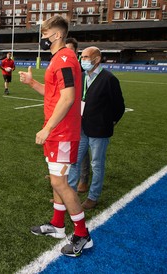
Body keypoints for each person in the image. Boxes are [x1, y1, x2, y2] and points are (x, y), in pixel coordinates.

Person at [18, 15, 92, 257]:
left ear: (57, 35)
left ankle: (82, 234)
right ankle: (58, 225)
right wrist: (32, 83)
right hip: (57, 132)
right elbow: (54, 93)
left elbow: (69, 97)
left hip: (61, 133)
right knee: (55, 180)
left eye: (45, 35)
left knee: (60, 182)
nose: (43, 39)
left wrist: (48, 128)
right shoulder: (59, 59)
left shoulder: (64, 59)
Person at [68, 46, 125, 210]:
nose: (82, 59)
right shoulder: (81, 76)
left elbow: (119, 106)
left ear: (97, 59)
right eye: (82, 57)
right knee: (74, 161)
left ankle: (93, 197)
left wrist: (110, 122)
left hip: (99, 131)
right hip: (82, 128)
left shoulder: (108, 79)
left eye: (86, 57)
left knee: (96, 164)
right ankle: (70, 194)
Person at [66, 37, 91, 192]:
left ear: (76, 51)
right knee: (67, 144)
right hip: (68, 113)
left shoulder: (82, 69)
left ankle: (83, 179)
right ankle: (64, 173)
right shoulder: (65, 66)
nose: (68, 52)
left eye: (71, 49)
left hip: (83, 113)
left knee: (81, 146)